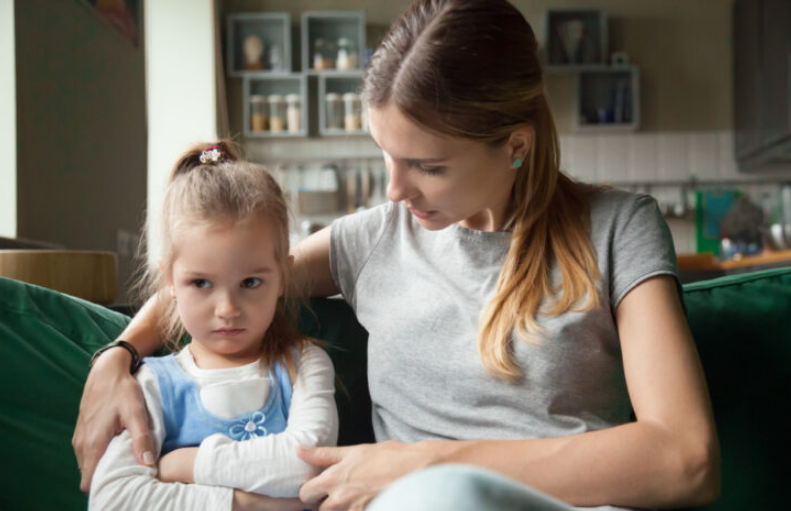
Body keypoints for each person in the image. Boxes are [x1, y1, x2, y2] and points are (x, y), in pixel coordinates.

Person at [74, 1, 721, 510]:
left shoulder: (617, 227)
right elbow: (223, 280)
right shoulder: (374, 238)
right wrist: (117, 356)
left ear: (514, 145)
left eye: (428, 166)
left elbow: (685, 457)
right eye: (386, 154)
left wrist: (430, 463)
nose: (394, 189)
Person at [87, 142, 338, 511]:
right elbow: (112, 500)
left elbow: (307, 463)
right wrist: (248, 504)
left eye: (250, 283)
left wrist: (186, 465)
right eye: (201, 283)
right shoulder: (153, 383)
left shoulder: (304, 363)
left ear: (283, 276)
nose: (228, 309)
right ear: (170, 281)